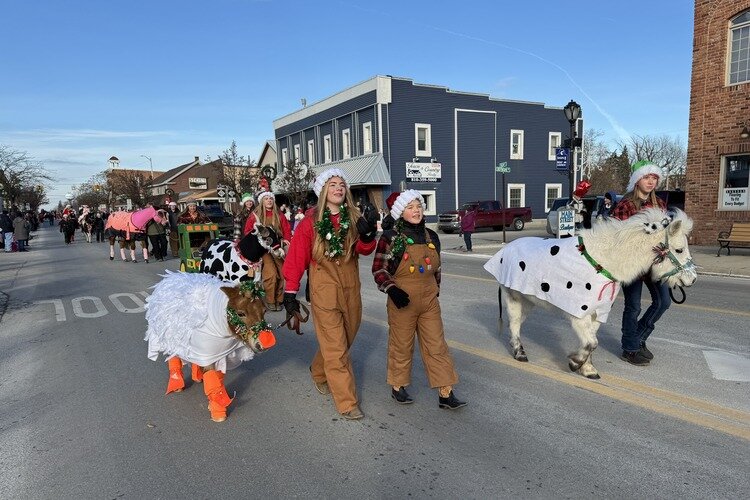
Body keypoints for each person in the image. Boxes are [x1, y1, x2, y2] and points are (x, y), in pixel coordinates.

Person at [282, 168, 378, 420]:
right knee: (336, 349)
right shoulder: (309, 223)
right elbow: (295, 259)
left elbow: (365, 251)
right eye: (333, 184)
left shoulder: (354, 217)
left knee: (345, 338)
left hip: (350, 289)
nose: (338, 188)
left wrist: (368, 233)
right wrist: (290, 293)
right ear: (323, 190)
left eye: (342, 184)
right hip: (324, 291)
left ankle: (318, 370)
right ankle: (347, 403)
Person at [372, 191, 467, 409]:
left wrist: (435, 292)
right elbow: (379, 269)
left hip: (429, 301)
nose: (415, 210)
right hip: (401, 300)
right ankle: (398, 387)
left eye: (418, 206)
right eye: (410, 207)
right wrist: (392, 290)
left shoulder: (431, 237)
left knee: (437, 345)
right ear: (400, 212)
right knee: (402, 346)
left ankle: (446, 392)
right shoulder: (391, 237)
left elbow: (437, 269)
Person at [612, 160, 669, 366]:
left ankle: (639, 338)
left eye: (654, 178)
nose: (651, 181)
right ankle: (630, 348)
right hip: (633, 264)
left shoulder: (660, 205)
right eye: (647, 177)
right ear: (637, 179)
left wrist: (665, 247)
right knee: (633, 307)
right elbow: (619, 237)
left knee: (663, 302)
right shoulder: (626, 205)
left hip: (654, 264)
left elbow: (664, 233)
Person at [243, 190, 292, 311]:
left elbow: (286, 229)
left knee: (281, 273)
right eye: (266, 199)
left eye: (271, 199)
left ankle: (279, 299)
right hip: (263, 249)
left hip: (277, 247)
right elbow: (247, 231)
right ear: (261, 202)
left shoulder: (279, 214)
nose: (269, 201)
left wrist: (286, 239)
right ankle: (270, 300)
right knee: (271, 273)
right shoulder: (256, 215)